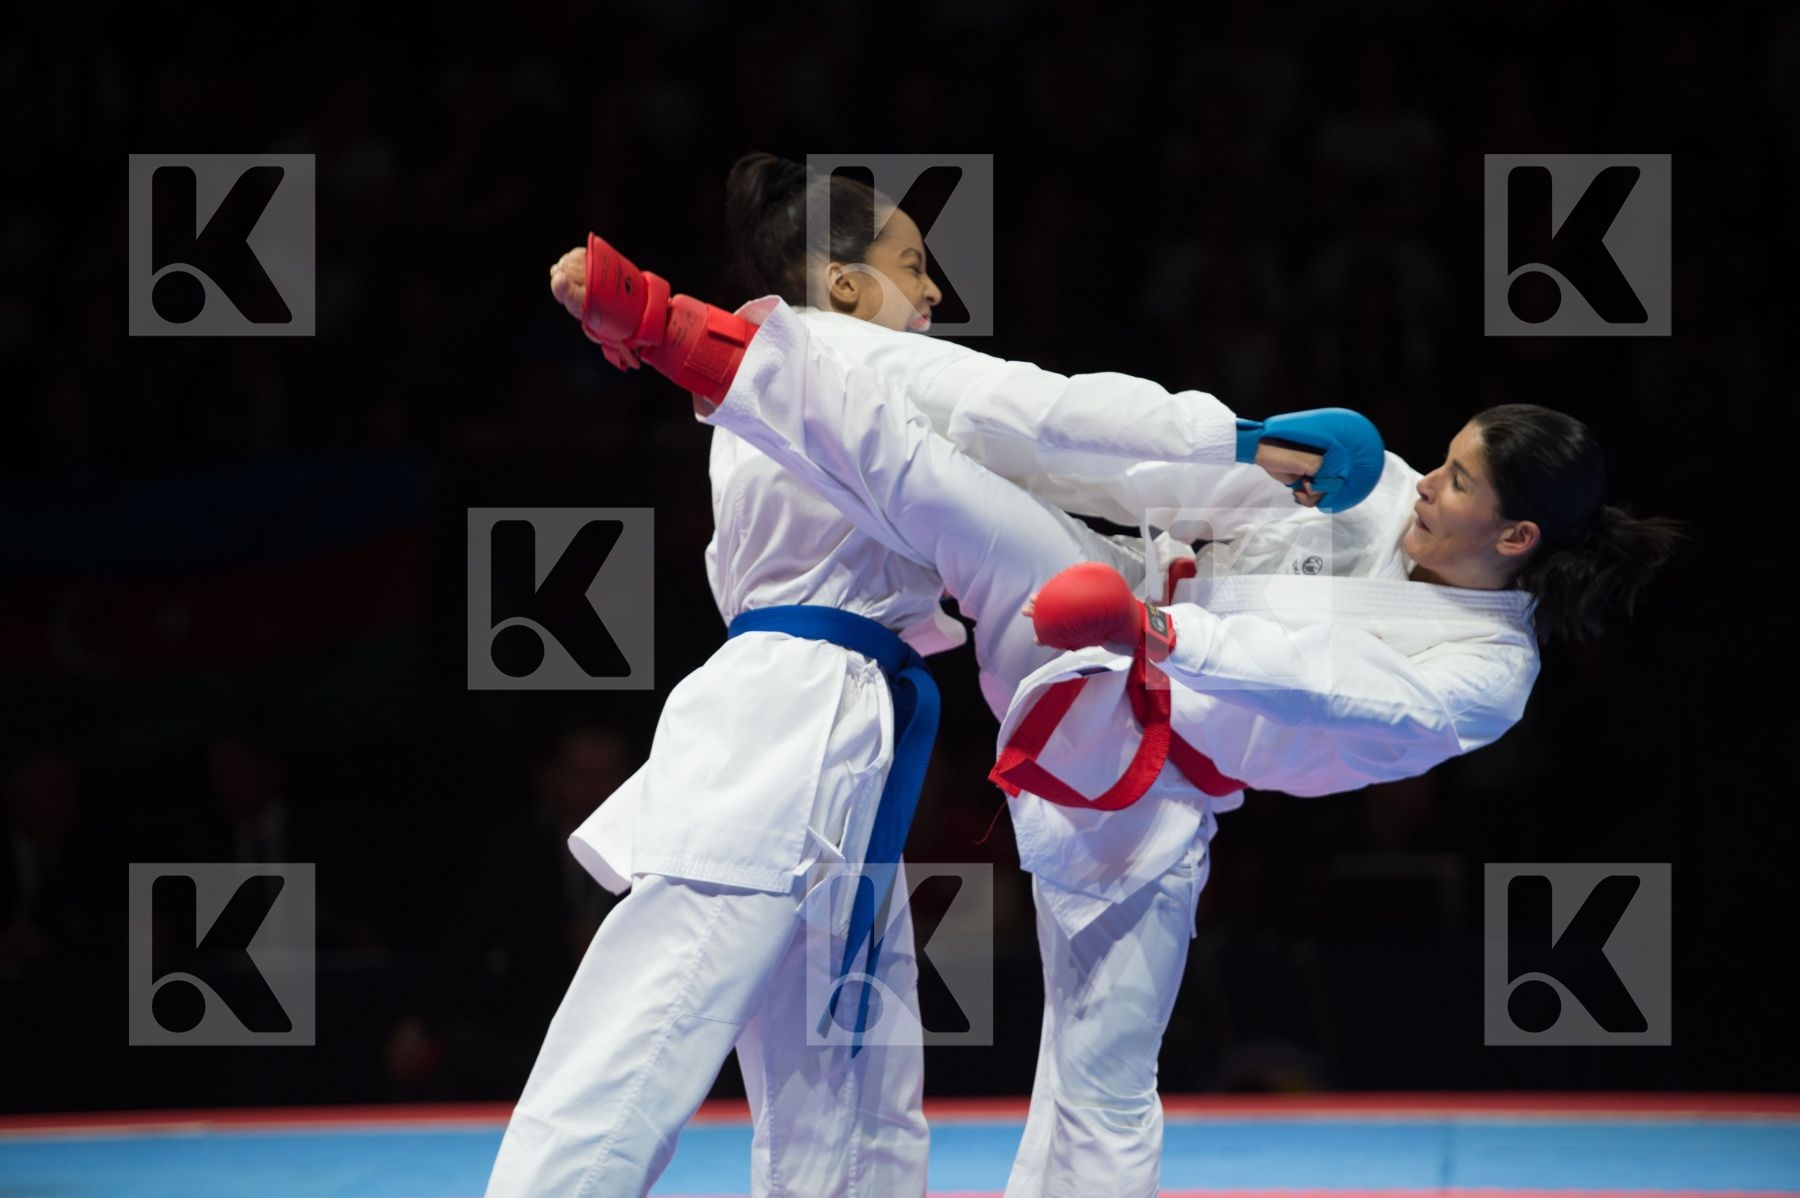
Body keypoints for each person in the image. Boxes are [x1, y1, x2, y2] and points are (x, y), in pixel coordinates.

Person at [556, 231, 1680, 1197]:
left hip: (1151, 767)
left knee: (1099, 1090)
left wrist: (1156, 636)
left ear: (1517, 537)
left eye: (1456, 482)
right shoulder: (1386, 486)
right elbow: (1160, 482)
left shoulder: (1486, 678)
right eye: (1442, 460)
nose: (1423, 481)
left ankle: (710, 349)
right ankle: (679, 332)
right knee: (992, 431)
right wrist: (1254, 447)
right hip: (1109, 594)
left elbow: (1314, 676)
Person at [488, 155, 962, 1198]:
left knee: (853, 1073)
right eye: (913, 264)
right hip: (778, 724)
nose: (934, 291)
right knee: (646, 1032)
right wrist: (635, 307)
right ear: (841, 283)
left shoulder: (876, 390)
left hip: (849, 727)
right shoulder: (802, 361)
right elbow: (717, 348)